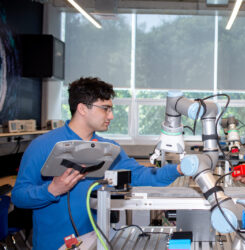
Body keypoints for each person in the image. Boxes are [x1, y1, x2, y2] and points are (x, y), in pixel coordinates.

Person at [11, 77, 183, 250]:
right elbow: (19, 196)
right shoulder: (43, 145)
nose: (111, 115)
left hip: (94, 242)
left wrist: (178, 168)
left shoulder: (108, 150)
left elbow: (141, 175)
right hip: (53, 246)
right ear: (82, 108)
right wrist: (52, 190)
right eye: (105, 109)